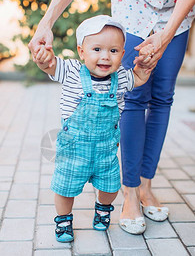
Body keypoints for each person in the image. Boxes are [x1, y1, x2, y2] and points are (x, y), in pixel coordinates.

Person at [29, 0, 195, 234]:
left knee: (163, 96)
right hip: (134, 2)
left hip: (179, 9)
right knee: (134, 97)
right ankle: (130, 192)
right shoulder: (74, 69)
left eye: (108, 53)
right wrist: (47, 22)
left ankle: (145, 186)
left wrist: (166, 35)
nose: (103, 57)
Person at [33, 15, 154, 242]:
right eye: (97, 49)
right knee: (65, 187)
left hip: (106, 150)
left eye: (114, 51)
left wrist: (144, 67)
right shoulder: (70, 72)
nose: (105, 56)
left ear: (122, 54)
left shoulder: (121, 78)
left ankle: (103, 208)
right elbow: (50, 66)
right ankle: (64, 219)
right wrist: (43, 58)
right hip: (74, 150)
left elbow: (138, 77)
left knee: (110, 187)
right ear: (81, 51)